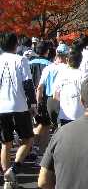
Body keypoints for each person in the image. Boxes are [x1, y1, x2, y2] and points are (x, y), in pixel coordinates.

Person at [0, 33, 36, 188]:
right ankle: (13, 169)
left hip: (1, 106)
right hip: (19, 105)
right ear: (16, 45)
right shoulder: (21, 59)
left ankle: (8, 179)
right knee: (27, 139)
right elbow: (28, 83)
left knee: (5, 143)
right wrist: (33, 104)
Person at [53, 50, 85, 126]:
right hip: (79, 114)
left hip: (65, 114)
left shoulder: (61, 74)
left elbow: (55, 96)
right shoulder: (83, 75)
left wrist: (66, 100)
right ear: (81, 60)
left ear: (67, 60)